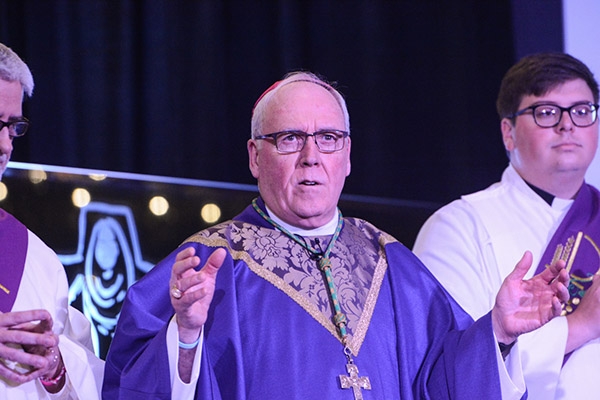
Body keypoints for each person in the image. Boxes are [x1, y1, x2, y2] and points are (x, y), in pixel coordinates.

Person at [103, 71, 569, 399]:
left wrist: (498, 333)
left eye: (329, 138)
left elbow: (445, 381)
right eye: (289, 138)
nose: (311, 156)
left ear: (347, 156)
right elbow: (132, 385)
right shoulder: (208, 264)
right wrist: (184, 335)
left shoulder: (391, 263)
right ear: (254, 156)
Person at [413, 52, 600, 399]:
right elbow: (446, 370)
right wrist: (579, 326)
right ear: (508, 132)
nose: (568, 125)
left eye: (582, 111)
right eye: (546, 112)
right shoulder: (457, 226)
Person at [0, 42, 104, 398]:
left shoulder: (36, 259)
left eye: (12, 127)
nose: (5, 145)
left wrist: (55, 369)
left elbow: (76, 380)